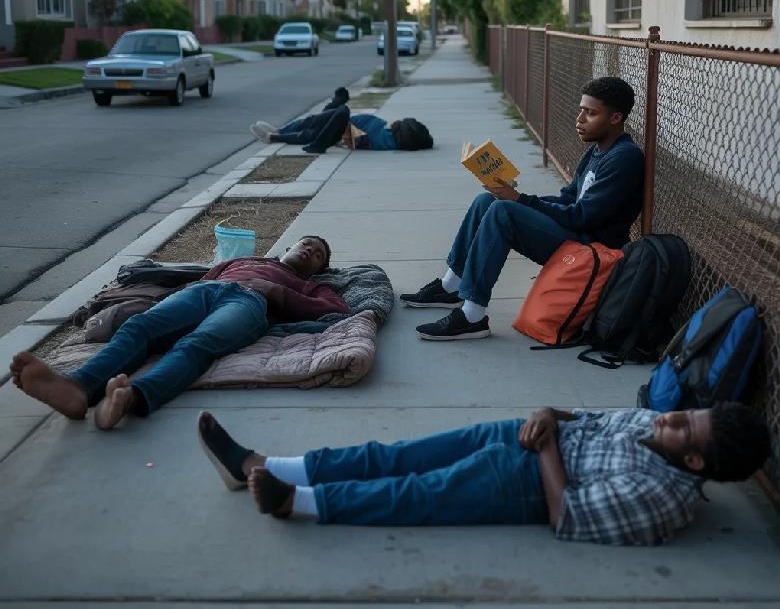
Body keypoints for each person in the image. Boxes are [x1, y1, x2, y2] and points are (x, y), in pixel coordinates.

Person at [196, 402, 770, 545]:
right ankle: (263, 465)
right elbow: (593, 416)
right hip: (522, 436)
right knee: (396, 455)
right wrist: (551, 415)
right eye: (685, 414)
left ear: (694, 462)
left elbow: (568, 517)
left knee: (416, 494)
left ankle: (293, 502)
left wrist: (546, 448)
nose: (668, 419)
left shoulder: (662, 498)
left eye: (682, 430)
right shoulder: (660, 425)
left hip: (527, 483)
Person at [10, 236, 347, 430]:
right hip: (205, 291)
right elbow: (202, 279)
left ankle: (132, 397)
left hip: (249, 304)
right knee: (139, 326)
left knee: (196, 345)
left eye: (317, 255)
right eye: (306, 244)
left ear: (319, 268)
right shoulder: (244, 260)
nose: (309, 251)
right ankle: (78, 388)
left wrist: (278, 293)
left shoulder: (309, 285)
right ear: (288, 246)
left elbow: (335, 310)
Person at [400, 76, 644, 340]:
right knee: (488, 202)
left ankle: (473, 315)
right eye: (581, 109)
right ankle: (451, 285)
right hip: (576, 235)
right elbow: (568, 198)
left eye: (591, 113)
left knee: (503, 211)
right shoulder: (597, 151)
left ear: (616, 117)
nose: (580, 119)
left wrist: (519, 201)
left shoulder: (624, 158)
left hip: (592, 249)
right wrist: (515, 196)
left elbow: (582, 216)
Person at [251, 106, 433, 154]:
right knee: (315, 126)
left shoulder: (379, 129)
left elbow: (352, 126)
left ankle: (279, 133)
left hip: (348, 132)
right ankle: (277, 134)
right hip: (348, 135)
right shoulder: (388, 141)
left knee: (316, 120)